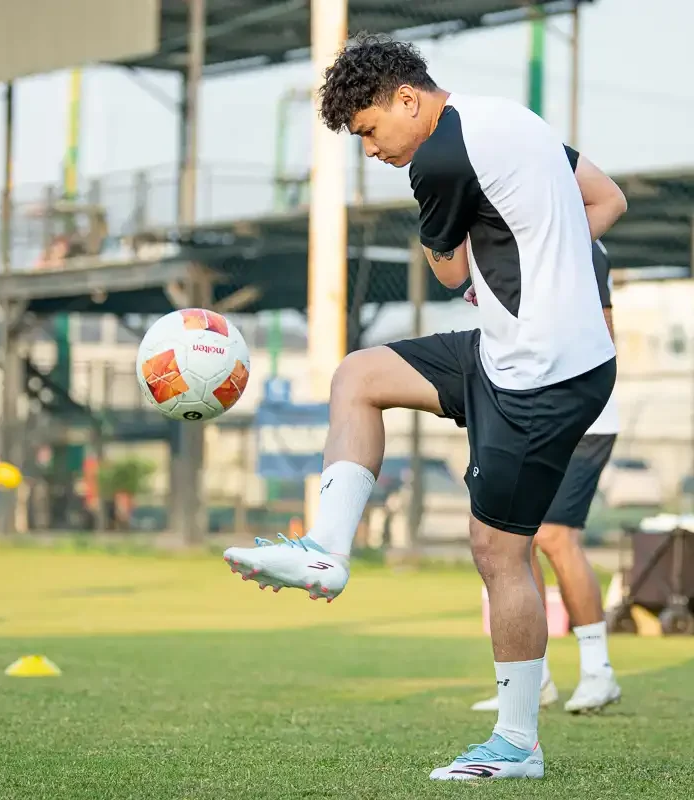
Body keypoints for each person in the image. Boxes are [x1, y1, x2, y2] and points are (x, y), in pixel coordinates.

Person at [224, 34, 626, 781]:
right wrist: (547, 257)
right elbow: (608, 198)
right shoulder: (515, 118)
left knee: (499, 549)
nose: (372, 151)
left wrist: (501, 253)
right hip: (515, 348)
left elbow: (448, 272)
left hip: (540, 374)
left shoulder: (439, 160)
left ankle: (516, 744)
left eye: (372, 130)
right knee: (360, 375)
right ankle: (327, 550)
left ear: (409, 99)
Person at [471, 240, 621, 715]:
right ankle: (533, 680)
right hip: (528, 410)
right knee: (517, 542)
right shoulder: (519, 236)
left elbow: (604, 333)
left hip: (580, 416)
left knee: (556, 537)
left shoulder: (577, 242)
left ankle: (599, 672)